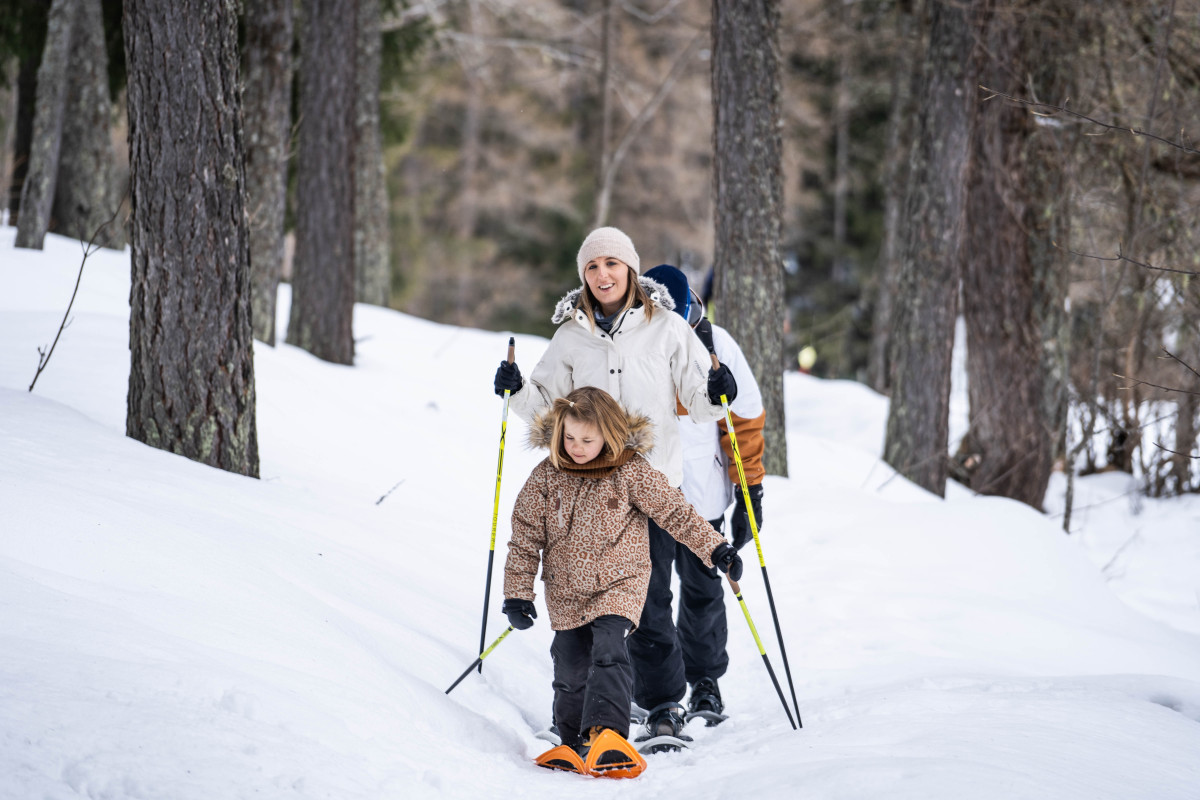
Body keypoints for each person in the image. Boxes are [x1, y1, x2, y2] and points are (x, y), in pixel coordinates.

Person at [493, 226, 739, 744]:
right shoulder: (570, 336)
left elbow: (699, 397)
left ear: (631, 269)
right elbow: (543, 403)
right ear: (583, 276)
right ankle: (601, 706)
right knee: (587, 607)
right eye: (592, 267)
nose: (603, 275)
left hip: (650, 486)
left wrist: (718, 392)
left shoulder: (668, 327)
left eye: (612, 264)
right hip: (585, 489)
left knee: (648, 604)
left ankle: (663, 705)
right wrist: (514, 391)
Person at [502, 387, 743, 777]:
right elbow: (526, 537)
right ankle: (572, 742)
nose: (577, 447)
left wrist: (716, 549)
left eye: (587, 439)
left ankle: (609, 736)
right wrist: (517, 594)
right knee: (570, 668)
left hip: (620, 583)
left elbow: (675, 513)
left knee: (610, 652)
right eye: (569, 438)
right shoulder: (546, 477)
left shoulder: (631, 471)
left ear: (609, 435)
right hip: (566, 592)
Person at [641, 264, 766, 723]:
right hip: (650, 495)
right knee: (648, 594)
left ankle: (705, 682)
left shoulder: (717, 345)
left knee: (701, 589)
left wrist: (751, 490)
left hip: (703, 495)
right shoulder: (637, 342)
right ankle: (655, 692)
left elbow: (747, 419)